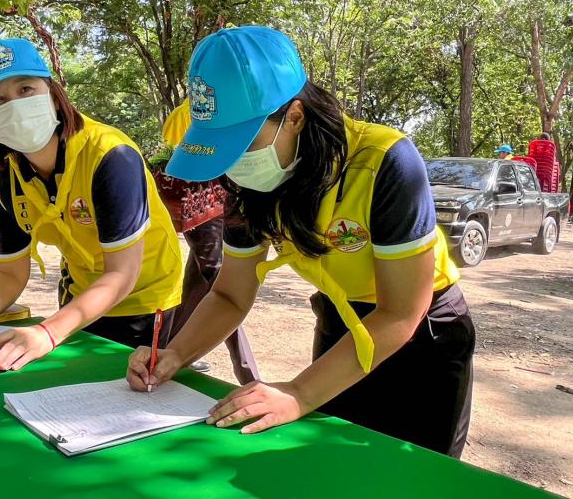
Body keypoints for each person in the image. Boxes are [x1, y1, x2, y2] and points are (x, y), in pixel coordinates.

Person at [127, 26, 475, 458]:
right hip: (340, 320)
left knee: (415, 477)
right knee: (334, 464)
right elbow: (233, 294)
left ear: (294, 116)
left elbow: (402, 310)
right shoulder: (247, 183)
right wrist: (175, 354)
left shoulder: (385, 161)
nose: (231, 164)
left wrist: (299, 393)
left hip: (425, 335)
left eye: (242, 143)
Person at [0, 38, 183, 371]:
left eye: (26, 89)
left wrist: (47, 331)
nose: (13, 104)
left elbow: (122, 273)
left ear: (54, 96)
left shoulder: (110, 156)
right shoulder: (2, 181)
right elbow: (8, 270)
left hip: (145, 300)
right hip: (80, 296)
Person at [162, 100, 259, 384]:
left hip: (206, 209)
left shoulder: (188, 112)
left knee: (207, 280)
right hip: (207, 207)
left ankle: (245, 373)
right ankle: (172, 353)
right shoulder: (199, 111)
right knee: (209, 281)